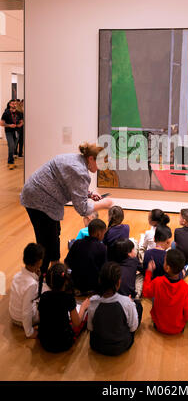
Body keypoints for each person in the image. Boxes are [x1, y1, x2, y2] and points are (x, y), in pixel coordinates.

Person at [20, 142, 113, 275]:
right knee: (45, 239)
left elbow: (70, 184)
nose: (101, 168)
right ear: (91, 158)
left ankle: (54, 268)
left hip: (37, 194)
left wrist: (90, 194)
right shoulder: (79, 171)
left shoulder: (76, 159)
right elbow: (82, 209)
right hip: (38, 200)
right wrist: (104, 204)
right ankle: (42, 274)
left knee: (54, 232)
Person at [88, 262, 140, 356]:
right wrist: (131, 304)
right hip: (121, 346)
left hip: (97, 345)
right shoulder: (126, 302)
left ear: (100, 281)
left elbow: (90, 327)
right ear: (118, 282)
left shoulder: (93, 302)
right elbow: (133, 327)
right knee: (137, 305)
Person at [38, 263, 90, 353]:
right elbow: (77, 323)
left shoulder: (44, 296)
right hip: (63, 343)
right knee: (86, 315)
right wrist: (83, 307)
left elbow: (40, 318)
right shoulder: (68, 298)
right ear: (66, 281)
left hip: (44, 341)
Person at [142, 249, 188, 335]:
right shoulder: (185, 288)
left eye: (164, 261)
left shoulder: (157, 282)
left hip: (158, 326)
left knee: (156, 295)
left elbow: (146, 292)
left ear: (167, 268)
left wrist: (149, 272)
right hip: (178, 328)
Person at [9, 243, 44, 338]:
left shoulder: (17, 276)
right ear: (38, 262)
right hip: (22, 320)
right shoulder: (31, 285)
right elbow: (26, 311)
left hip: (13, 315)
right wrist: (30, 332)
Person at [64, 219, 107, 294]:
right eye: (104, 233)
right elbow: (104, 269)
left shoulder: (77, 243)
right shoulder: (102, 247)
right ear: (99, 233)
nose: (104, 236)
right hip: (93, 286)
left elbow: (67, 262)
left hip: (76, 283)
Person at [0, 99, 24, 169]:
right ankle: (10, 162)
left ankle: (11, 160)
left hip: (17, 132)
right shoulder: (6, 113)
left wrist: (20, 124)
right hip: (9, 132)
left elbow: (21, 121)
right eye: (12, 103)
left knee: (13, 147)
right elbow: (1, 123)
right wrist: (9, 125)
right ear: (9, 104)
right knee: (11, 145)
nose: (14, 105)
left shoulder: (19, 113)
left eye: (15, 103)